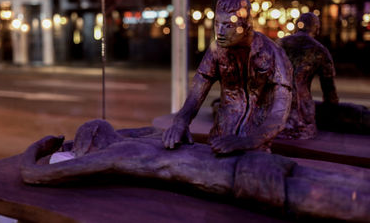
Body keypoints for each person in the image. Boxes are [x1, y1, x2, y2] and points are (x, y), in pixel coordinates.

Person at [21, 119, 370, 222]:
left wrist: (41, 147)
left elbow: (36, 174)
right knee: (352, 190)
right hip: (247, 165)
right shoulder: (154, 139)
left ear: (90, 147)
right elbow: (134, 130)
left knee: (349, 202)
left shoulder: (123, 153)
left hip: (238, 178)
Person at [163, 0, 293, 153]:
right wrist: (180, 122)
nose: (220, 32)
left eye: (228, 25)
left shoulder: (272, 53)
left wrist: (249, 141)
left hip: (256, 144)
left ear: (246, 25)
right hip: (219, 138)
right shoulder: (217, 50)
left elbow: (280, 110)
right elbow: (198, 88)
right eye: (217, 24)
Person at [277, 12, 339, 139]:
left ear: (297, 26)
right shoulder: (320, 50)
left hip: (276, 110)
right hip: (302, 114)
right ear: (316, 29)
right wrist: (332, 111)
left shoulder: (280, 44)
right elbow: (329, 89)